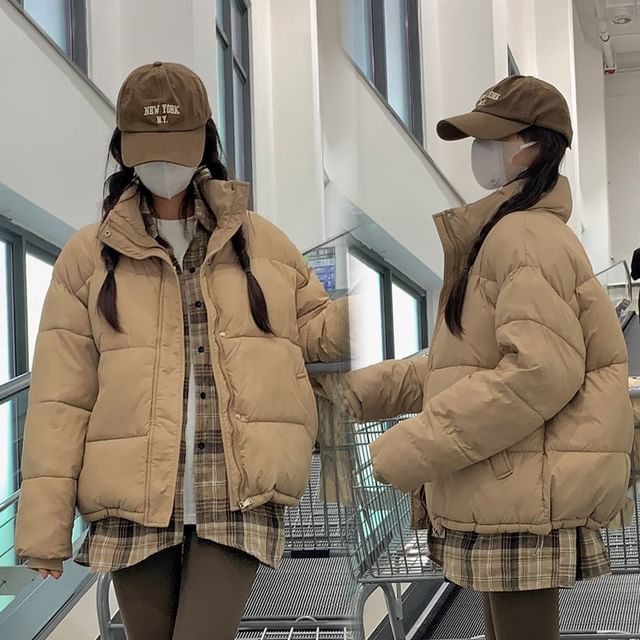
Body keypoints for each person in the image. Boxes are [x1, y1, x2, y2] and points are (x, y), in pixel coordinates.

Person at [15, 61, 347, 640]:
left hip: (237, 493)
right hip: (132, 499)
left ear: (205, 143)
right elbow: (60, 398)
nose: (164, 165)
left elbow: (320, 329)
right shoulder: (86, 258)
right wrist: (45, 529)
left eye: (177, 147)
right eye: (149, 149)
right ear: (123, 150)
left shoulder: (264, 245)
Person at [326, 76, 634, 640]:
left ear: (534, 146)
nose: (480, 150)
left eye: (494, 138)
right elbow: (466, 366)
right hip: (510, 482)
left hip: (521, 487)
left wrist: (415, 445)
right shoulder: (507, 234)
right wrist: (363, 391)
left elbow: (539, 372)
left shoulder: (523, 237)